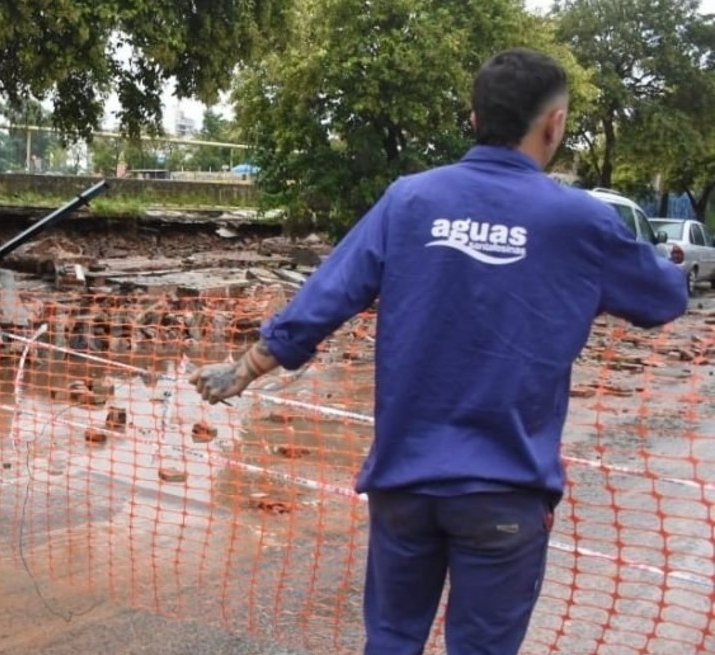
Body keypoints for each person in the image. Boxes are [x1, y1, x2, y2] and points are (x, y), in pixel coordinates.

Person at [190, 48, 689, 655]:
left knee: (393, 642)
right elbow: (664, 299)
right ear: (554, 124)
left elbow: (324, 298)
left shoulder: (410, 201)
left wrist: (243, 369)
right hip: (503, 494)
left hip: (405, 485)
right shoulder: (579, 221)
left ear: (474, 119)